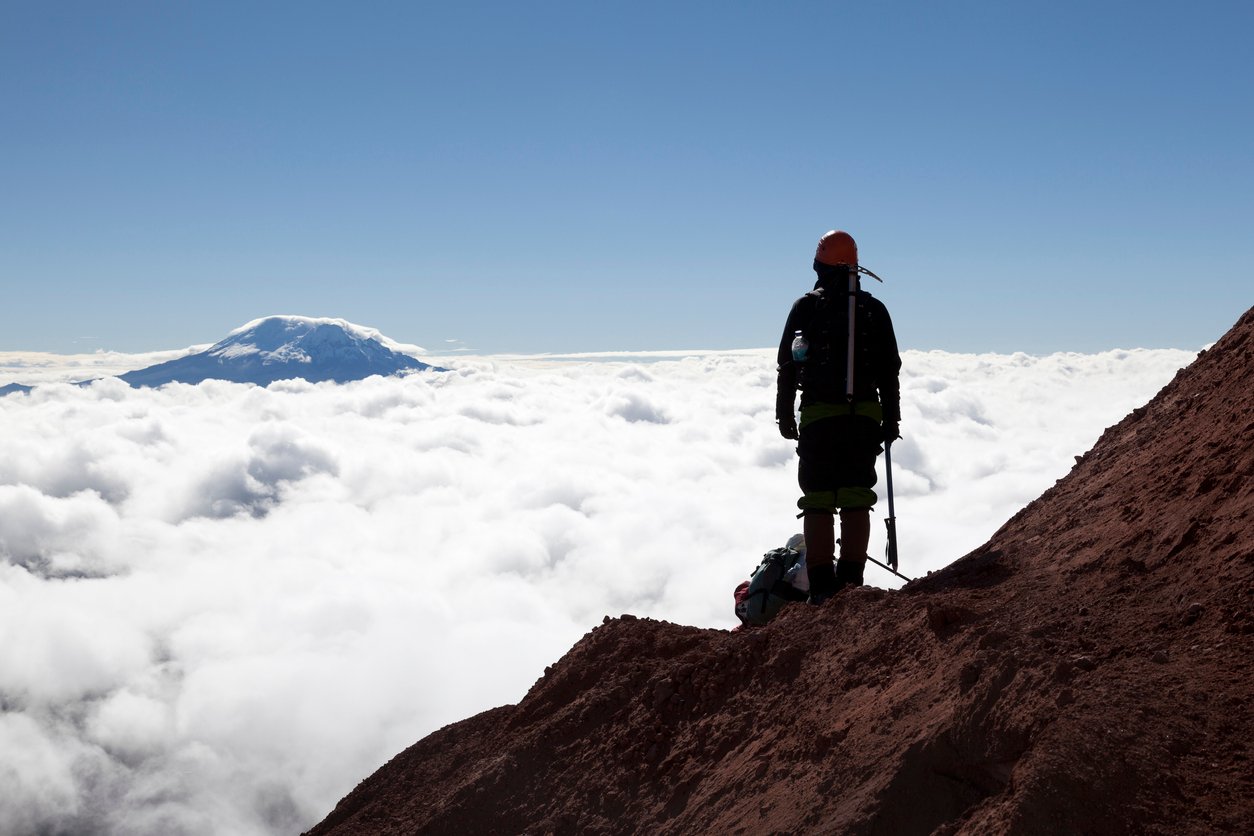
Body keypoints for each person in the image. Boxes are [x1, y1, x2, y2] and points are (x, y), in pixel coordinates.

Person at [775, 230, 901, 604]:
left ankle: (822, 587)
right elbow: (889, 370)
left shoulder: (806, 307)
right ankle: (851, 584)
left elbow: (787, 367)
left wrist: (785, 415)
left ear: (820, 263)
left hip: (818, 417)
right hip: (864, 417)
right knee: (855, 496)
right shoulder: (874, 310)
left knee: (817, 498)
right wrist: (891, 420)